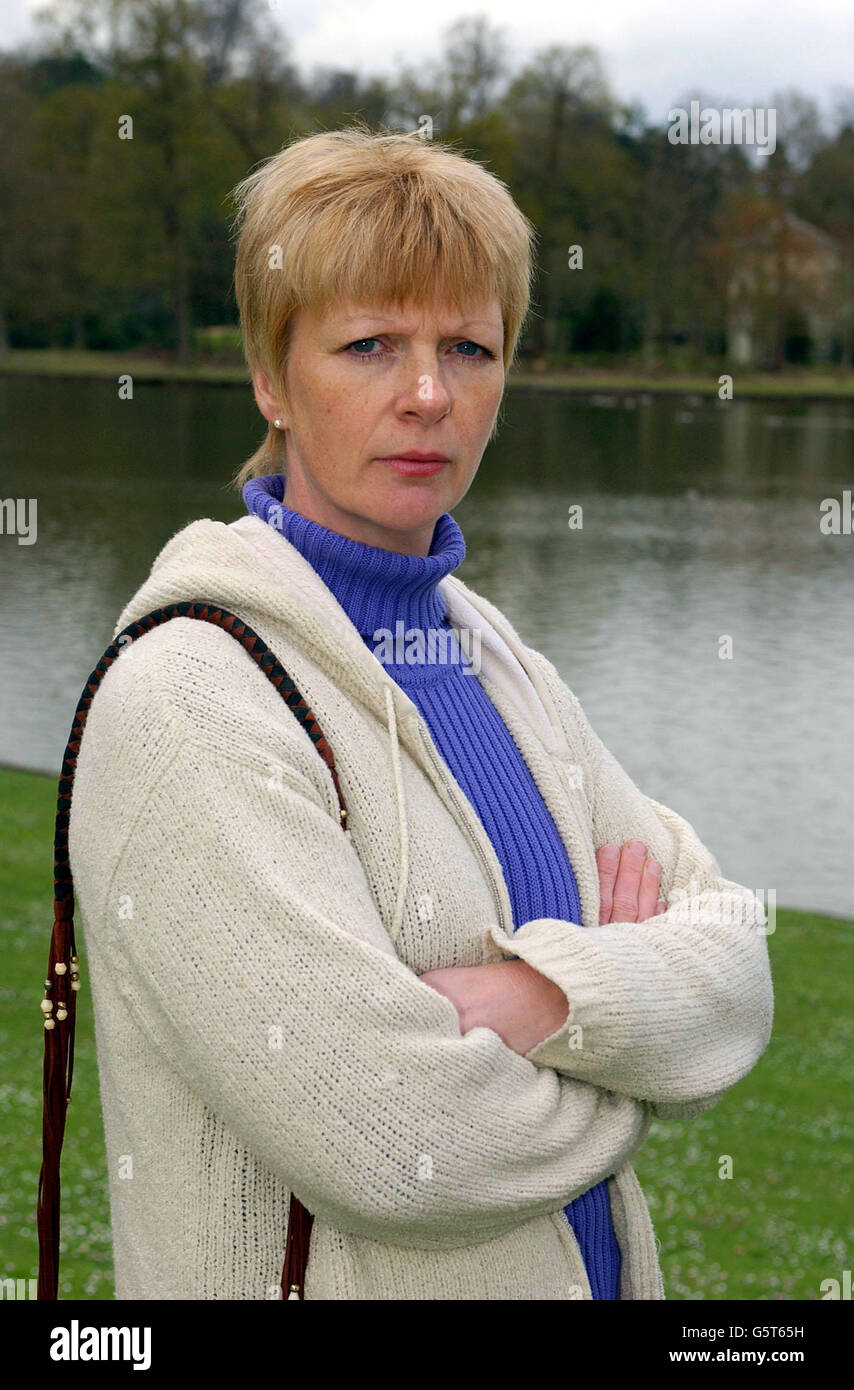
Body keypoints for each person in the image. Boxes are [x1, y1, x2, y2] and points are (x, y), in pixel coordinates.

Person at [67, 124, 774, 1300]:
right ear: (268, 375)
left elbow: (734, 967)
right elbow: (392, 1142)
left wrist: (544, 998)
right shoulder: (190, 695)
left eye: (468, 346)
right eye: (368, 344)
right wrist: (630, 1042)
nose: (429, 394)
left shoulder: (499, 663)